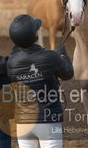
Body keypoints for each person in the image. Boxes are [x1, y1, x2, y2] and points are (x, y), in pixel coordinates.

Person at [7, 14, 73, 148]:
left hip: (23, 122)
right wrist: (63, 56)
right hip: (48, 120)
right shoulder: (51, 56)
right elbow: (67, 74)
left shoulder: (11, 61)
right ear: (35, 35)